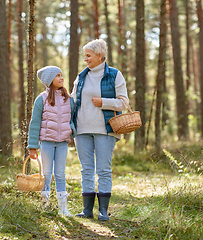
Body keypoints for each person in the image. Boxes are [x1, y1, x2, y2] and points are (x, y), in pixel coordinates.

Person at [71, 39, 129, 221]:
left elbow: (124, 103)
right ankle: (87, 210)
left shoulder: (114, 75)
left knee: (103, 169)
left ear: (100, 56)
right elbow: (73, 101)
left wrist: (103, 102)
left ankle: (103, 211)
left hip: (106, 129)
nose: (85, 59)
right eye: (85, 56)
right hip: (82, 129)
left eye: (88, 56)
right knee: (86, 169)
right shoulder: (81, 76)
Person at [27, 66, 76, 217]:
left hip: (62, 143)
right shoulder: (41, 99)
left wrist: (71, 129)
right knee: (47, 173)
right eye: (58, 76)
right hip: (47, 143)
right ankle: (45, 205)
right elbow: (35, 123)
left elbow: (72, 118)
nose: (61, 78)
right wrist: (33, 146)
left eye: (62, 75)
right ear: (50, 80)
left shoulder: (69, 99)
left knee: (60, 174)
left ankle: (63, 208)